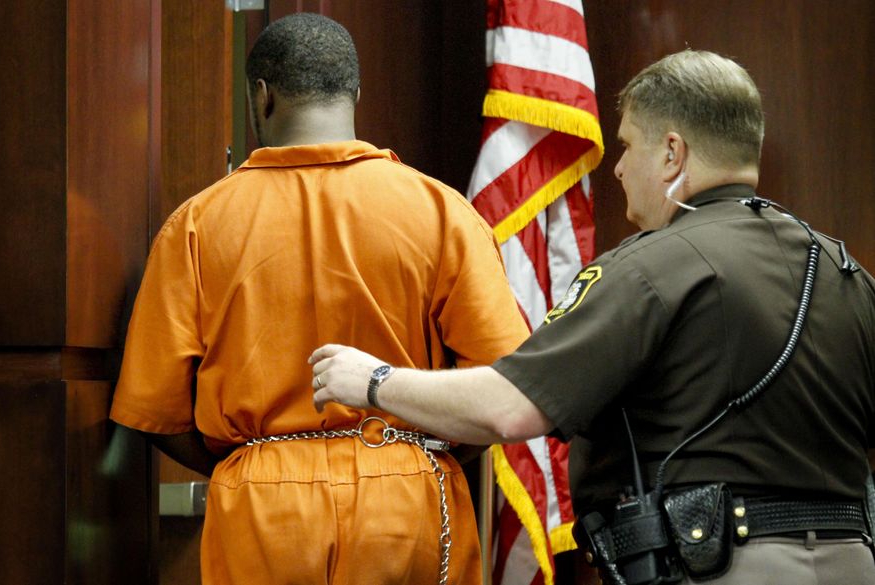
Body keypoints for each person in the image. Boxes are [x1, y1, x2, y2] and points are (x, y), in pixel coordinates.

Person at [310, 49, 875, 585]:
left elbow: (511, 408)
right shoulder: (847, 271)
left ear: (673, 153)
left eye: (629, 146)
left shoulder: (653, 266)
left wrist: (375, 381)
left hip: (716, 568)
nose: (620, 169)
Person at [110, 12, 529, 585]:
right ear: (356, 93)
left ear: (261, 96)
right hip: (406, 495)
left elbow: (155, 411)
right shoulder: (441, 213)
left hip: (261, 507)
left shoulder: (196, 226)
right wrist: (416, 444)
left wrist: (256, 461)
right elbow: (504, 386)